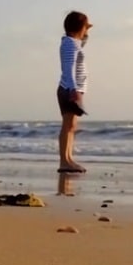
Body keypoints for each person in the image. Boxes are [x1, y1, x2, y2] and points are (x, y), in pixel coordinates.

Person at [57, 10, 92, 173]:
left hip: (73, 89)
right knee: (68, 126)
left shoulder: (73, 42)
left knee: (71, 126)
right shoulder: (70, 43)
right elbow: (68, 69)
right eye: (86, 26)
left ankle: (68, 159)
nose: (87, 30)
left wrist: (86, 32)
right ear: (80, 26)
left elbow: (82, 43)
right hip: (69, 89)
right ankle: (65, 161)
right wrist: (73, 90)